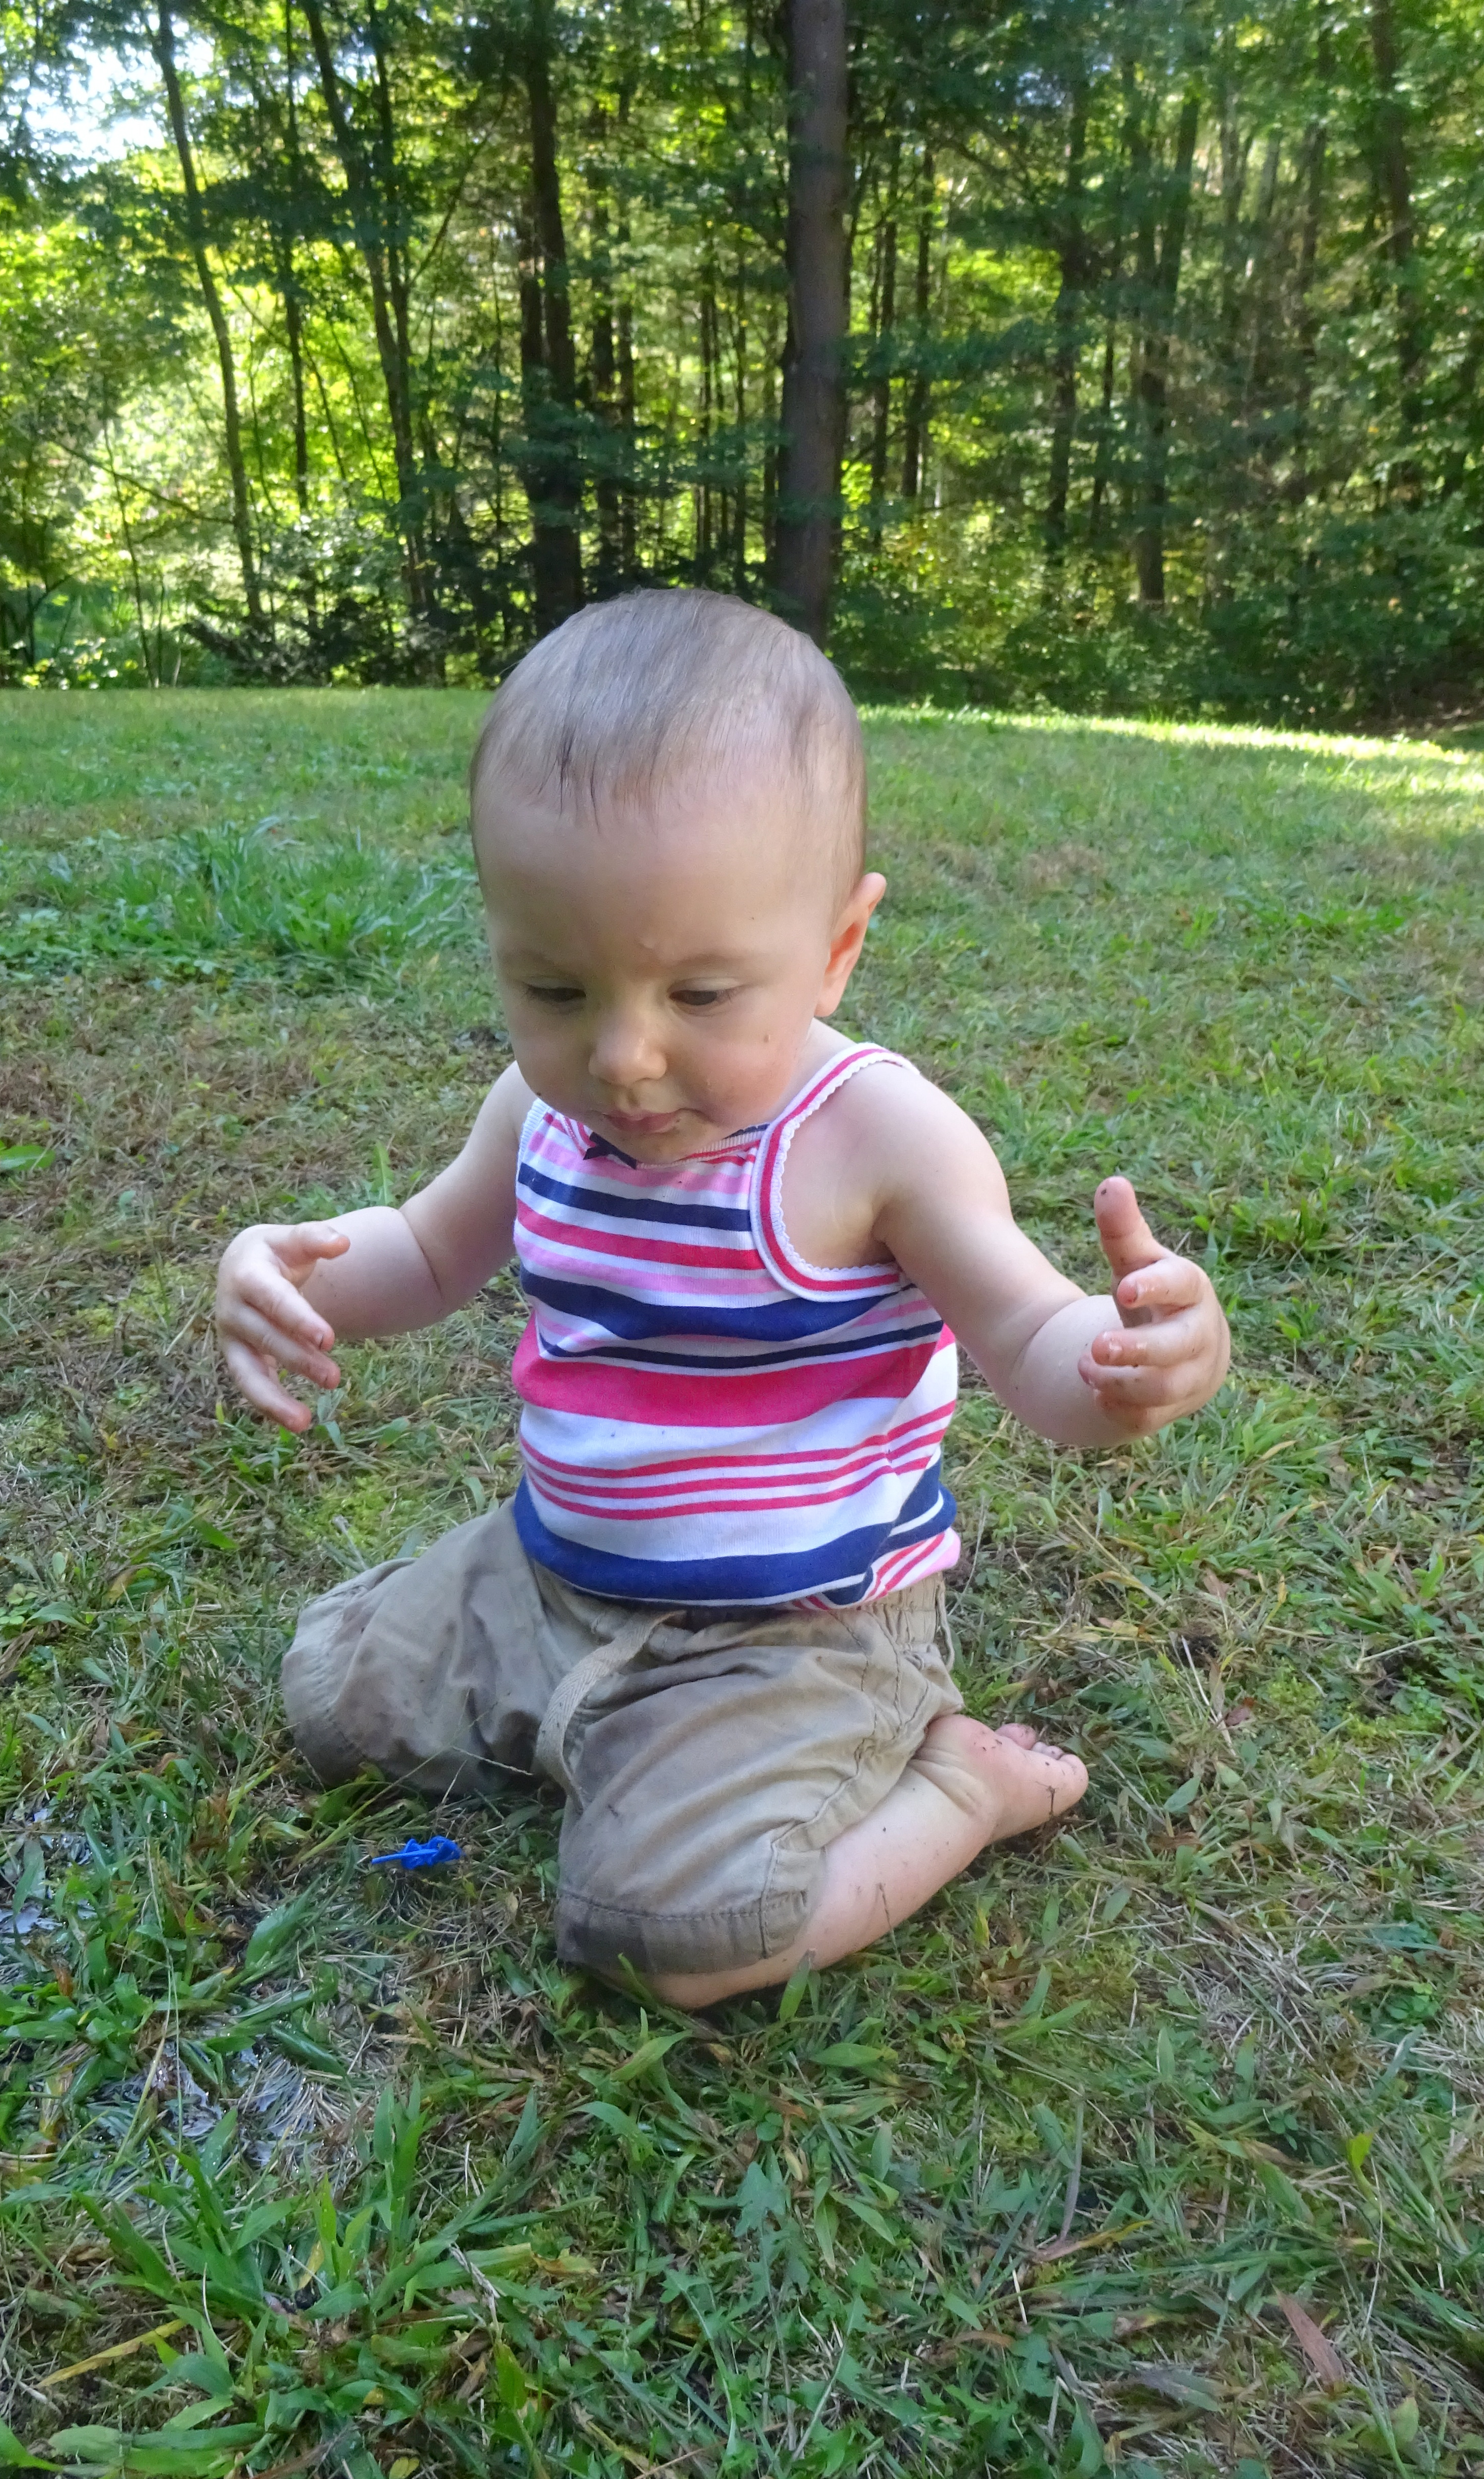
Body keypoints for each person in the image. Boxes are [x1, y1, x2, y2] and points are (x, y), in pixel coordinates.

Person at [215, 590, 1230, 2009]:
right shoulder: (539, 1110)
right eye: (554, 988)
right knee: (330, 1697)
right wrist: (290, 1262)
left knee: (671, 1934)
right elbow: (428, 1252)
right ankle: (600, 1729)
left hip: (792, 1635)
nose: (622, 1058)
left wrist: (1124, 1359)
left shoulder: (877, 1139)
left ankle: (958, 1787)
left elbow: (1031, 1338)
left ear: (836, 948)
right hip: (553, 1575)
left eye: (699, 994)